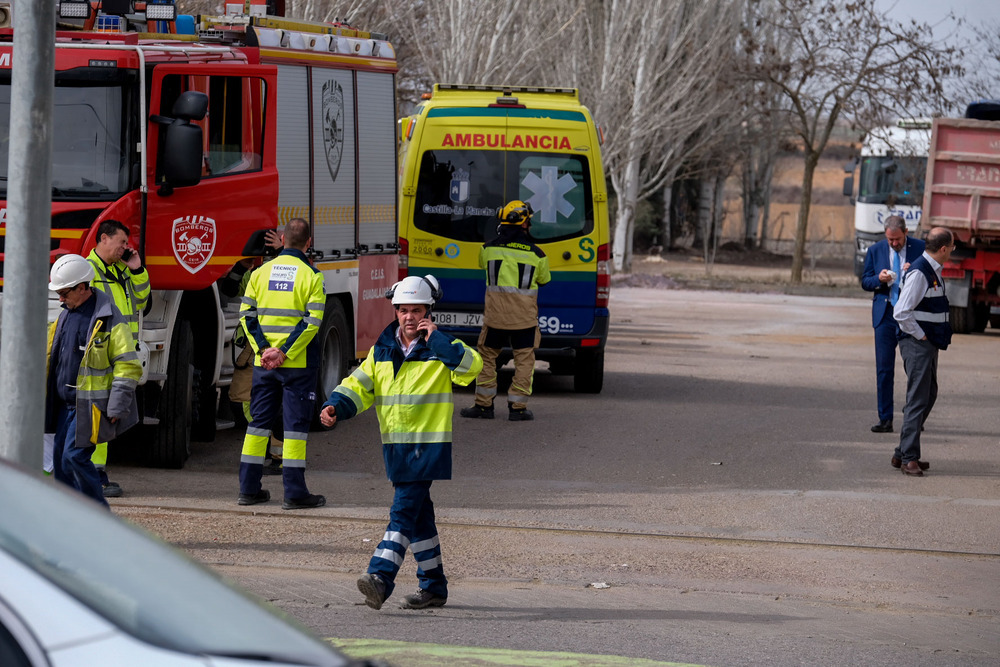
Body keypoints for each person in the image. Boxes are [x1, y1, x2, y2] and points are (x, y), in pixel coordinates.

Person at [319, 275, 482, 610]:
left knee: (402, 513)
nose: (409, 316)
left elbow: (473, 367)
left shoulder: (439, 348)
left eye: (416, 310)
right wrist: (336, 404)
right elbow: (360, 385)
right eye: (403, 310)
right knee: (420, 519)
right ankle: (434, 587)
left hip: (427, 449)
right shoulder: (383, 349)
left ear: (428, 311)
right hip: (396, 450)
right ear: (395, 311)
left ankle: (380, 577)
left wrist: (437, 341)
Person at [237, 218, 327, 509]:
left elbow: (246, 316)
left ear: (283, 239)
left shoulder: (259, 273)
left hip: (265, 365)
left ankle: (248, 490)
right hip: (298, 366)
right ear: (308, 243)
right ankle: (294, 493)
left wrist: (264, 350)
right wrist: (284, 352)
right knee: (295, 428)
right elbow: (312, 323)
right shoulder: (312, 277)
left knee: (258, 424)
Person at [45, 254, 142, 507]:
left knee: (74, 457)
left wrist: (118, 405)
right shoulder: (65, 315)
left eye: (64, 292)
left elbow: (128, 365)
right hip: (64, 406)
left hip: (90, 407)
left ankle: (98, 515)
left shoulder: (109, 318)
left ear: (82, 287)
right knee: (61, 463)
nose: (60, 299)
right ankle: (68, 518)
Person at [460, 200, 550, 421]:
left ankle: (483, 406)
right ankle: (518, 408)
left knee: (487, 358)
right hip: (524, 320)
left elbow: (483, 265)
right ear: (523, 223)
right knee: (524, 360)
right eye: (528, 221)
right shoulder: (538, 255)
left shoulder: (487, 249)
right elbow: (544, 279)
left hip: (495, 319)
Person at [86, 219, 151, 497]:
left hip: (119, 354)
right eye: (121, 242)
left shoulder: (121, 270)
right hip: (98, 357)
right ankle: (94, 475)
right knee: (96, 415)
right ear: (103, 239)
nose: (126, 247)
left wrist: (137, 269)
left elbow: (143, 301)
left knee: (108, 415)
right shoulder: (87, 271)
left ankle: (94, 473)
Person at [892, 227, 954, 476]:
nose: (953, 251)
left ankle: (901, 453)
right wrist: (922, 335)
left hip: (928, 343)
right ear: (943, 249)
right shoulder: (921, 272)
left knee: (928, 395)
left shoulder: (932, 270)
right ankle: (909, 458)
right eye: (952, 247)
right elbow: (901, 312)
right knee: (918, 399)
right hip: (918, 344)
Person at [860, 215, 925, 433]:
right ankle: (885, 418)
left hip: (910, 316)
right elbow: (865, 281)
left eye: (897, 239)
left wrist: (912, 271)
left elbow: (932, 276)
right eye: (890, 240)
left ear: (906, 232)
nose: (894, 244)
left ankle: (914, 418)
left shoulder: (920, 248)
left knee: (915, 370)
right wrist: (878, 279)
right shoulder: (876, 250)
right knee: (884, 370)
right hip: (885, 316)